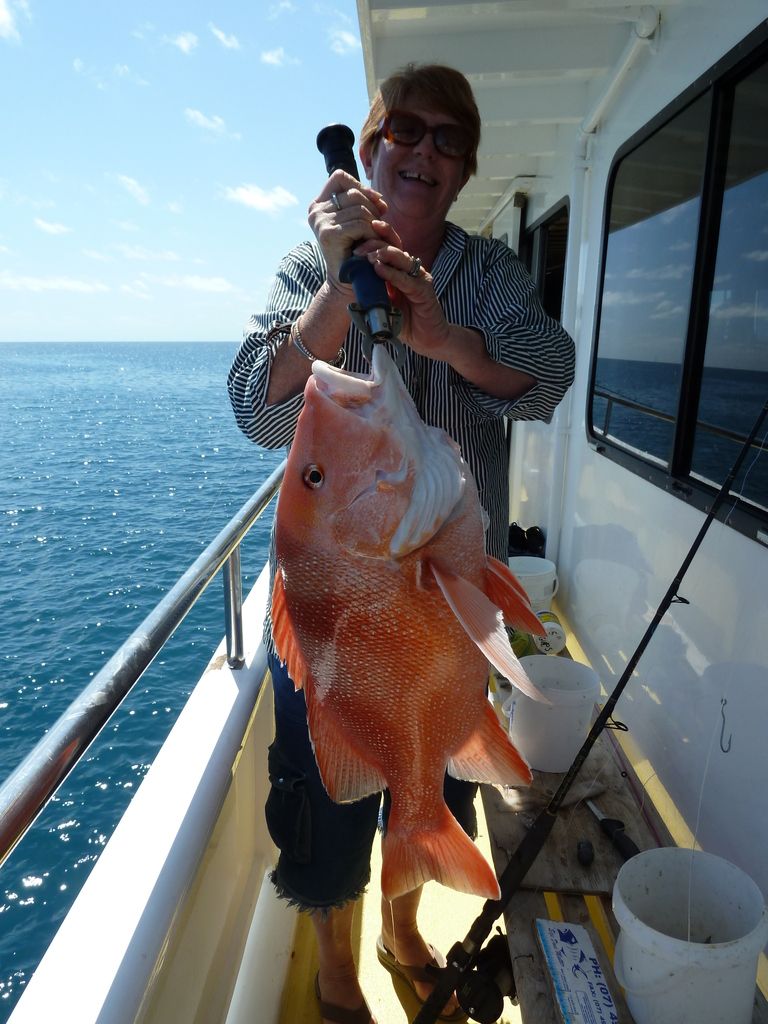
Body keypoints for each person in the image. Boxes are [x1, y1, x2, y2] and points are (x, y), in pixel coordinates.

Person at [228, 63, 574, 1024]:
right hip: (337, 623)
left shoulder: (489, 275)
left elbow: (549, 375)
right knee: (328, 801)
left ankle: (402, 931)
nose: (423, 151)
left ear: (464, 170)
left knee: (430, 784)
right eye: (404, 132)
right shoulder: (309, 266)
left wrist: (447, 339)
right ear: (371, 149)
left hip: (447, 606)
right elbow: (256, 408)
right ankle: (339, 968)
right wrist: (336, 293)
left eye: (447, 139)